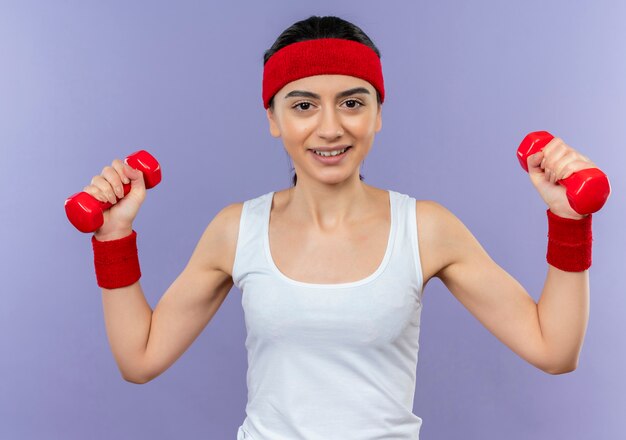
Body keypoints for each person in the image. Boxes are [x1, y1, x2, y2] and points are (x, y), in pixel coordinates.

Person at [83, 15, 597, 440]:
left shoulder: (425, 229)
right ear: (273, 119)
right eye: (303, 105)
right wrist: (113, 238)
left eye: (352, 102)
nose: (330, 127)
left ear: (377, 114)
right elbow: (140, 358)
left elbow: (554, 350)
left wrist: (569, 220)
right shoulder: (236, 229)